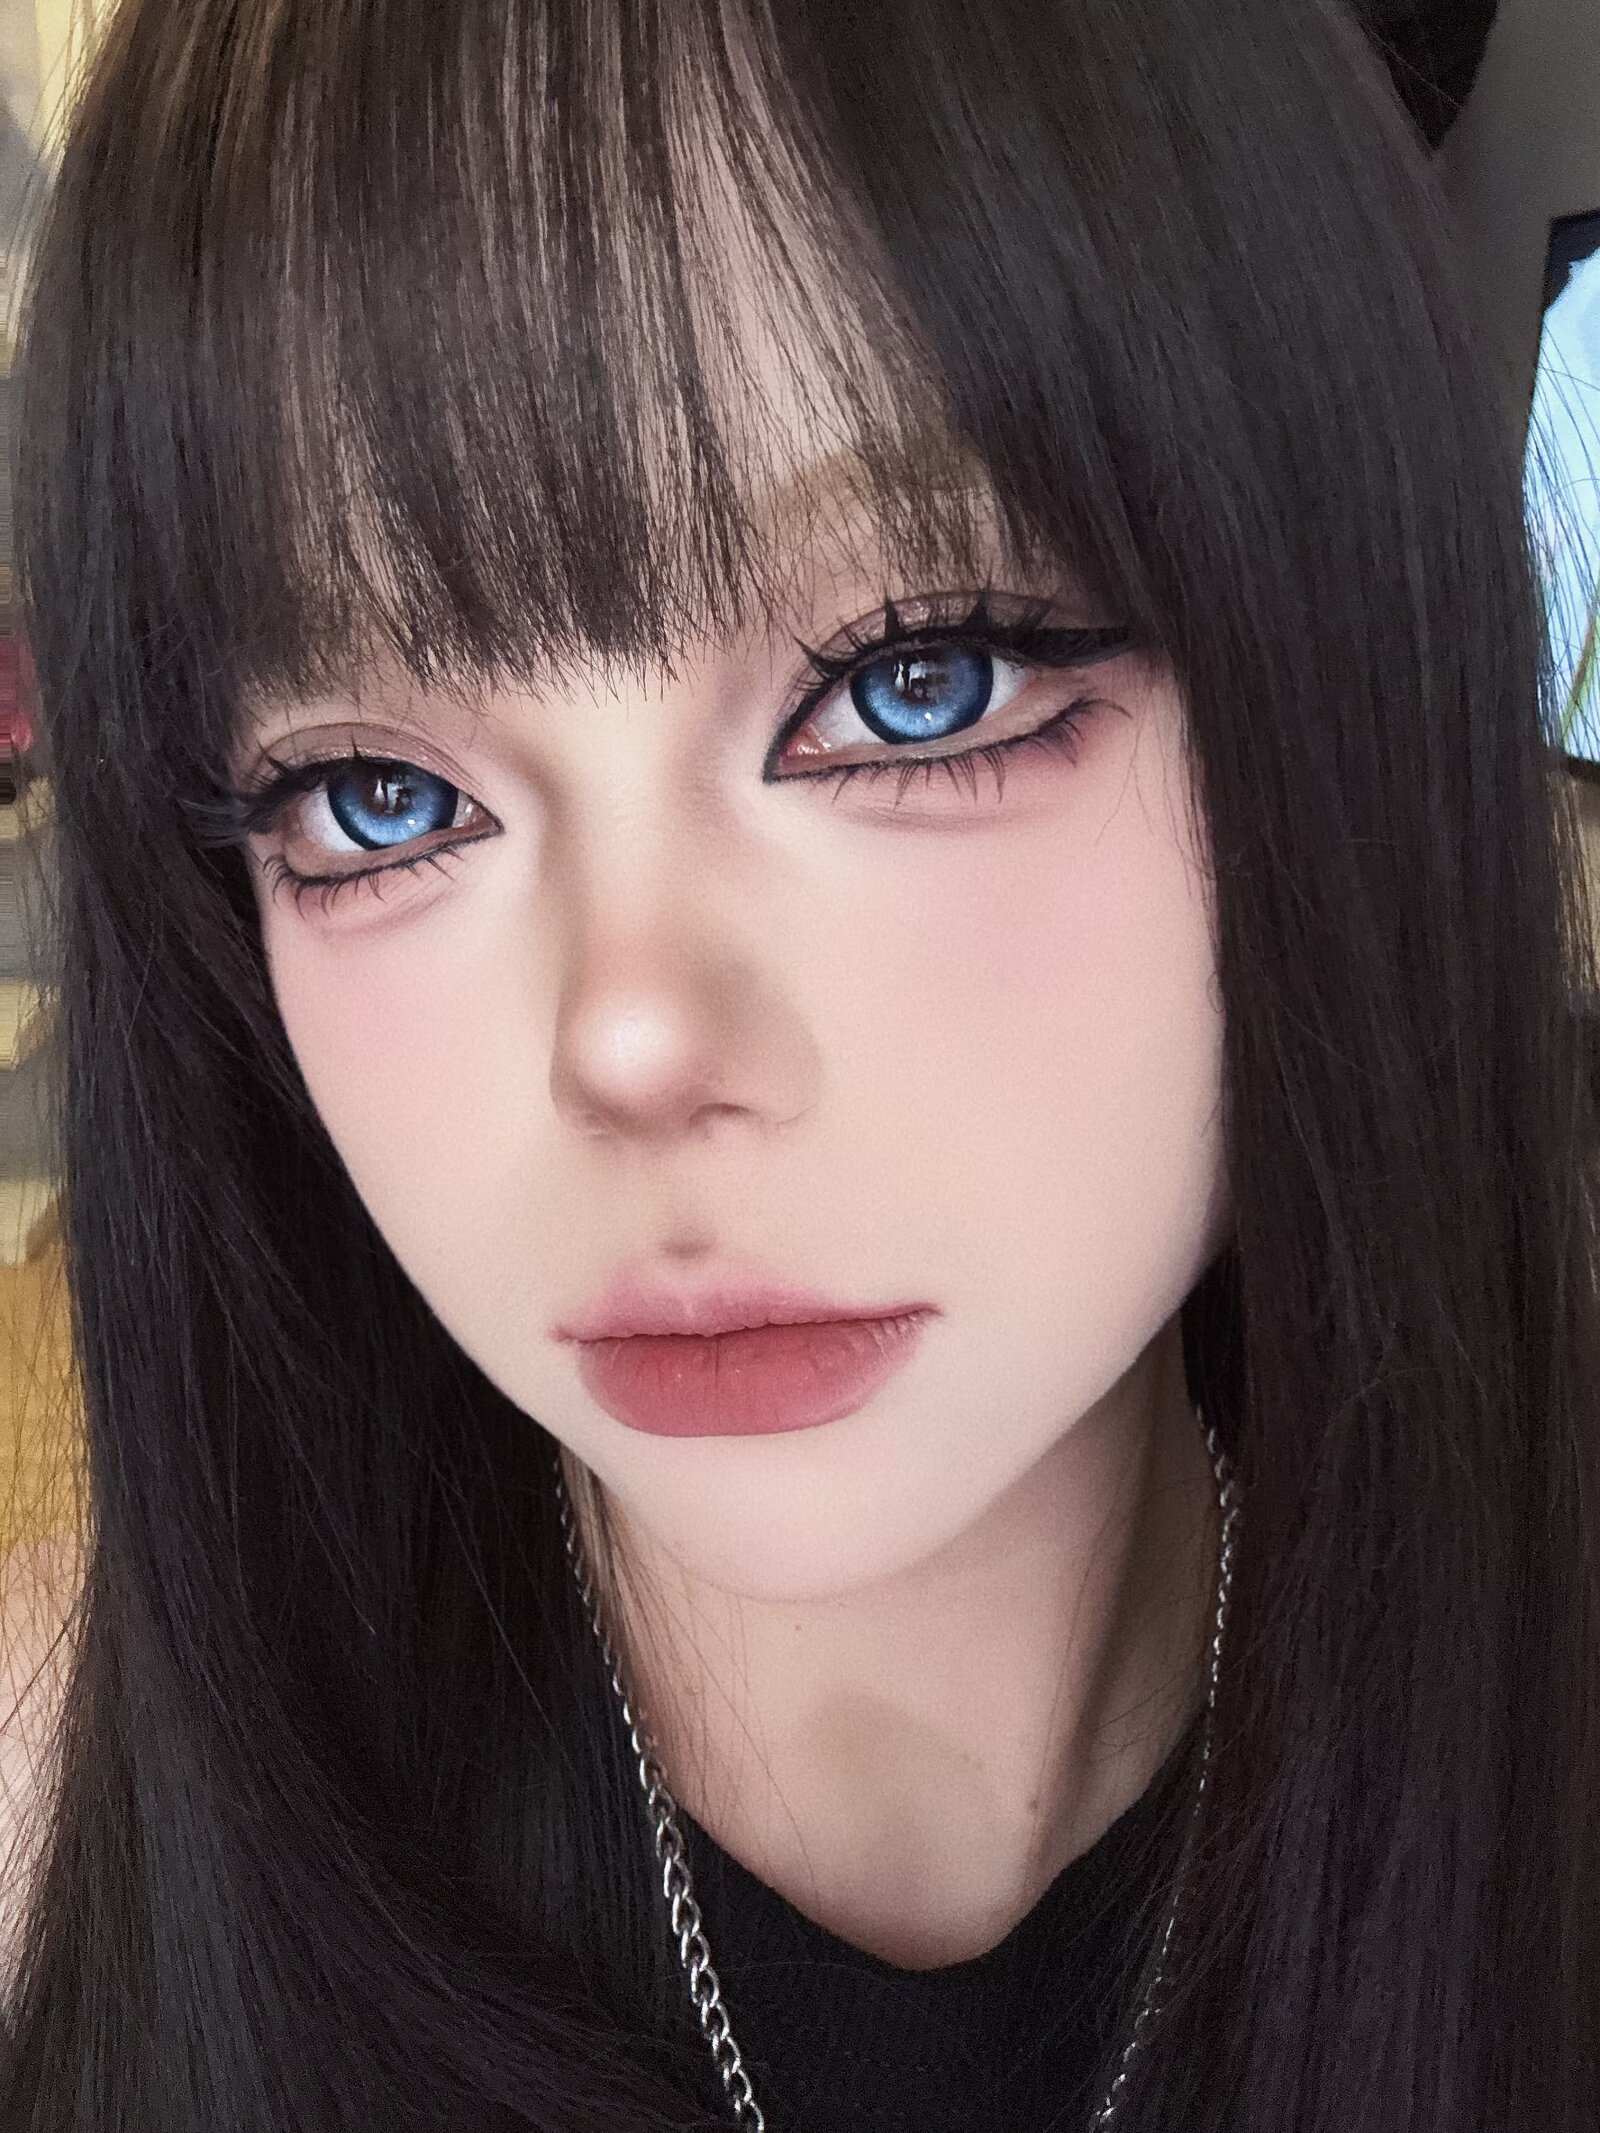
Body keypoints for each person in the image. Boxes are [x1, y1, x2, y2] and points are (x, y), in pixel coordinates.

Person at [2, 0, 1596, 2128]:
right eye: (381, 798)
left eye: (917, 683)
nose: (630, 1040)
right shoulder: (44, 1825)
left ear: (1333, 671)